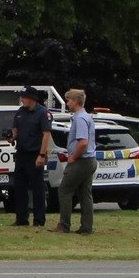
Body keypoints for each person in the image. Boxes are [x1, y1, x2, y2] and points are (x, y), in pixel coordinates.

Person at [53, 88, 96, 234]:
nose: (67, 103)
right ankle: (86, 227)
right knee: (85, 194)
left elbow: (83, 142)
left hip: (81, 161)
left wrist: (73, 156)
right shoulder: (87, 116)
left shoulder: (80, 118)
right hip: (90, 160)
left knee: (64, 191)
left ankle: (64, 225)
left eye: (68, 100)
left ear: (75, 102)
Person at [9, 89, 53, 226]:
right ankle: (21, 218)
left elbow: (46, 134)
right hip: (21, 154)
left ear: (32, 98)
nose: (22, 100)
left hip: (35, 154)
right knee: (20, 187)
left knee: (37, 188)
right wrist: (11, 136)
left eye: (24, 98)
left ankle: (39, 220)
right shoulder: (20, 112)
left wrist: (42, 154)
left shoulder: (42, 113)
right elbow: (16, 130)